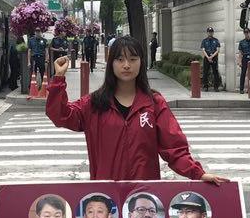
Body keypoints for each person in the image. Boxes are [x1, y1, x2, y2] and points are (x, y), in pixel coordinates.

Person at [46, 35, 229, 185]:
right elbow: (60, 115)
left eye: (132, 59)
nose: (126, 65)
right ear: (111, 64)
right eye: (120, 59)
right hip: (106, 199)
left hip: (144, 199)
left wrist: (198, 173)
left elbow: (175, 148)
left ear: (141, 63)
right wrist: (58, 80)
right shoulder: (94, 104)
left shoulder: (154, 103)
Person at [237, 27, 250, 93]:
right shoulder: (241, 42)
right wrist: (239, 61)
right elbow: (240, 53)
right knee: (243, 74)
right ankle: (241, 89)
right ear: (244, 33)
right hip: (244, 58)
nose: (246, 34)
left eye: (247, 32)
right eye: (245, 32)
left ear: (249, 33)